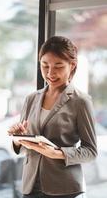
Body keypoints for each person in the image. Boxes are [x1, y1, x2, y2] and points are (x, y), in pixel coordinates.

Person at [8, 36, 97, 198]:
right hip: (30, 186)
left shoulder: (81, 101)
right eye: (44, 65)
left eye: (58, 66)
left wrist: (57, 153)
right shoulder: (31, 99)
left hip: (65, 189)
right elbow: (26, 145)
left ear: (72, 66)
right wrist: (17, 138)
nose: (50, 73)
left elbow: (90, 151)